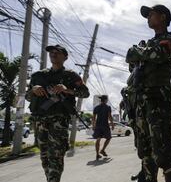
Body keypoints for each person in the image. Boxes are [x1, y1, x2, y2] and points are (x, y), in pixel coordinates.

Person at [126, 4, 171, 182]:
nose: (148, 17)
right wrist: (139, 56)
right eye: (147, 15)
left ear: (163, 17)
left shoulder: (170, 37)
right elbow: (133, 66)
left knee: (164, 150)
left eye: (151, 14)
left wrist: (138, 52)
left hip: (158, 99)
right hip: (141, 101)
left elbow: (161, 53)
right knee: (146, 151)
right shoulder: (148, 44)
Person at [26, 44, 90, 182]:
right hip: (41, 121)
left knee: (56, 156)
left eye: (57, 52)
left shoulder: (71, 75)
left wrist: (67, 90)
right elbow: (27, 96)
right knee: (44, 157)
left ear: (65, 57)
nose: (53, 54)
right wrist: (33, 90)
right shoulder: (38, 76)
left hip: (59, 121)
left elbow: (85, 93)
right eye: (51, 52)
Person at [92, 95, 114, 160]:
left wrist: (93, 125)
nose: (107, 101)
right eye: (107, 100)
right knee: (108, 138)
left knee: (98, 139)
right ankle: (102, 150)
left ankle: (97, 154)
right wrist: (112, 124)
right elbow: (110, 116)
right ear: (105, 100)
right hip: (105, 126)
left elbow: (93, 118)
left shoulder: (96, 107)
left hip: (98, 126)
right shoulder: (108, 107)